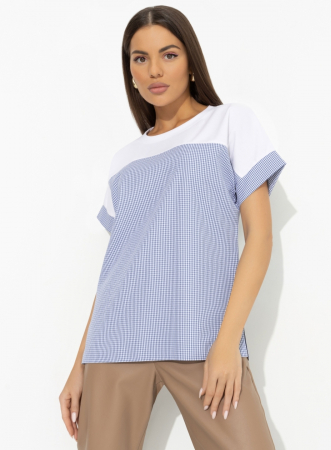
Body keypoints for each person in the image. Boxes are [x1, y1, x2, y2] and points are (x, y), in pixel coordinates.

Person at [59, 6, 287, 449]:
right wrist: (79, 365)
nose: (154, 70)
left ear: (190, 61)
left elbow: (259, 238)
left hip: (203, 338)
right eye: (140, 58)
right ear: (130, 72)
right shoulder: (124, 160)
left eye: (169, 54)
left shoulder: (230, 123)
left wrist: (227, 343)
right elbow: (115, 270)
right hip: (116, 342)